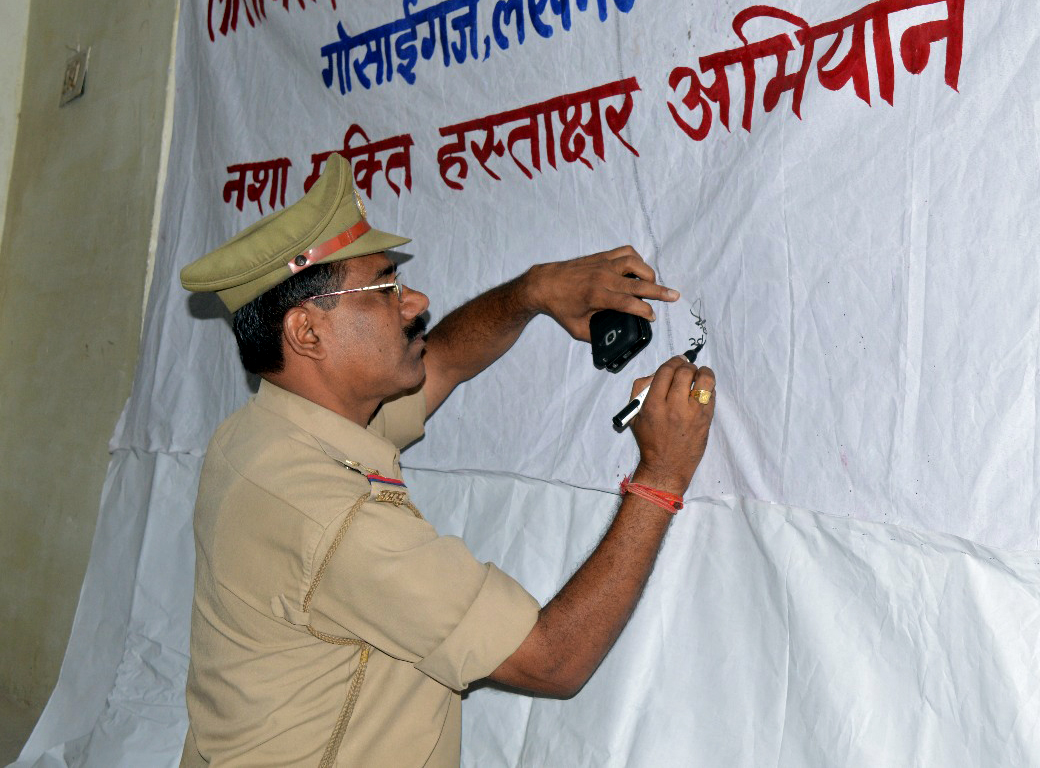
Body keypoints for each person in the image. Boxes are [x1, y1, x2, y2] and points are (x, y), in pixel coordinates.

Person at [176, 154, 715, 767]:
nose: (415, 301)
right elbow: (551, 660)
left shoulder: (272, 432)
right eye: (385, 290)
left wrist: (532, 292)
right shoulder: (328, 511)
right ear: (306, 333)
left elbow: (445, 361)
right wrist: (661, 477)